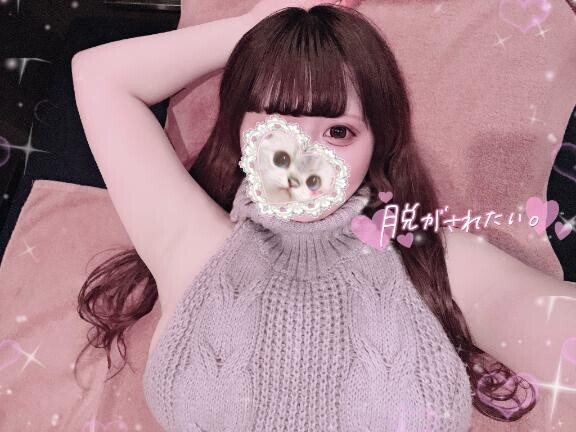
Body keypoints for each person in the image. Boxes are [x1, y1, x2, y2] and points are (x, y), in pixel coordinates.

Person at [70, 0, 576, 431]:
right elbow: (100, 76)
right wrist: (258, 26)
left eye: (338, 132)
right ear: (239, 129)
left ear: (377, 145)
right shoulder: (193, 246)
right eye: (276, 123)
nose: (303, 160)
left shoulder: (431, 256)